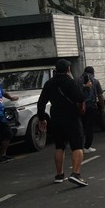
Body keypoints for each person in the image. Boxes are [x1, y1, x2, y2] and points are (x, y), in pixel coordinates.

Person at [37, 59, 88, 187]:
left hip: (55, 118)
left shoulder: (49, 83)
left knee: (59, 147)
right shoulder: (70, 82)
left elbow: (41, 102)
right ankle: (76, 174)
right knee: (77, 146)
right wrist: (86, 89)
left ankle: (59, 175)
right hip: (71, 117)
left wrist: (42, 118)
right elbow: (80, 98)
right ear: (68, 69)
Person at [77, 66, 104, 154]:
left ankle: (79, 146)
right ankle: (87, 146)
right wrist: (102, 108)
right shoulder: (95, 81)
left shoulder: (77, 81)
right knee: (90, 127)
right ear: (93, 72)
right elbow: (100, 95)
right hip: (91, 106)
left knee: (81, 127)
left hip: (80, 107)